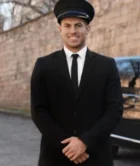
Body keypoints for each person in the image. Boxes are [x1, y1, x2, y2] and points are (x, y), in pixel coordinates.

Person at [30, 0, 123, 165]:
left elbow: (114, 110)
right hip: (55, 157)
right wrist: (69, 145)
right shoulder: (43, 65)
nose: (73, 31)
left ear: (87, 28)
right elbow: (39, 111)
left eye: (78, 25)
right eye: (67, 25)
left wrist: (84, 141)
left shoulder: (106, 65)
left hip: (95, 156)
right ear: (60, 29)